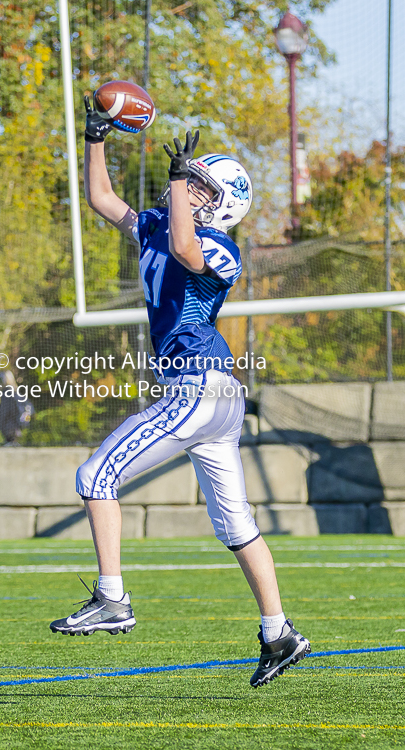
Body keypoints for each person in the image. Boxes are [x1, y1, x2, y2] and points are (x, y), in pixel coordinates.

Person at [49, 95, 310, 688]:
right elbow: (101, 199)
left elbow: (188, 251)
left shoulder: (221, 247)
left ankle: (113, 600)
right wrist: (97, 136)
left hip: (199, 388)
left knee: (95, 476)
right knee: (234, 523)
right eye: (185, 179)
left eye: (198, 184)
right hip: (213, 398)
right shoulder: (156, 225)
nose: (186, 188)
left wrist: (174, 183)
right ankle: (279, 633)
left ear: (220, 207)